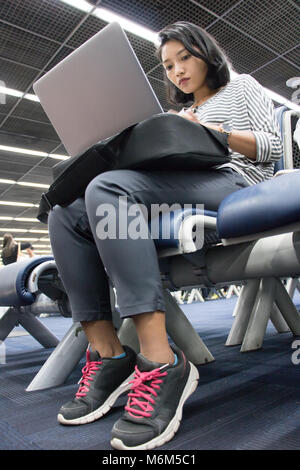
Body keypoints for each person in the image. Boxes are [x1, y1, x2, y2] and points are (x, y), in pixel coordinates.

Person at [48, 22, 282, 450]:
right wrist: (170, 130)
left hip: (235, 180)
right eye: (168, 65)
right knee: (65, 214)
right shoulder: (175, 113)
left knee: (108, 187)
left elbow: (273, 150)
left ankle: (162, 361)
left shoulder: (241, 87)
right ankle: (110, 355)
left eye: (184, 58)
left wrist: (209, 133)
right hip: (180, 184)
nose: (177, 71)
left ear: (206, 53)